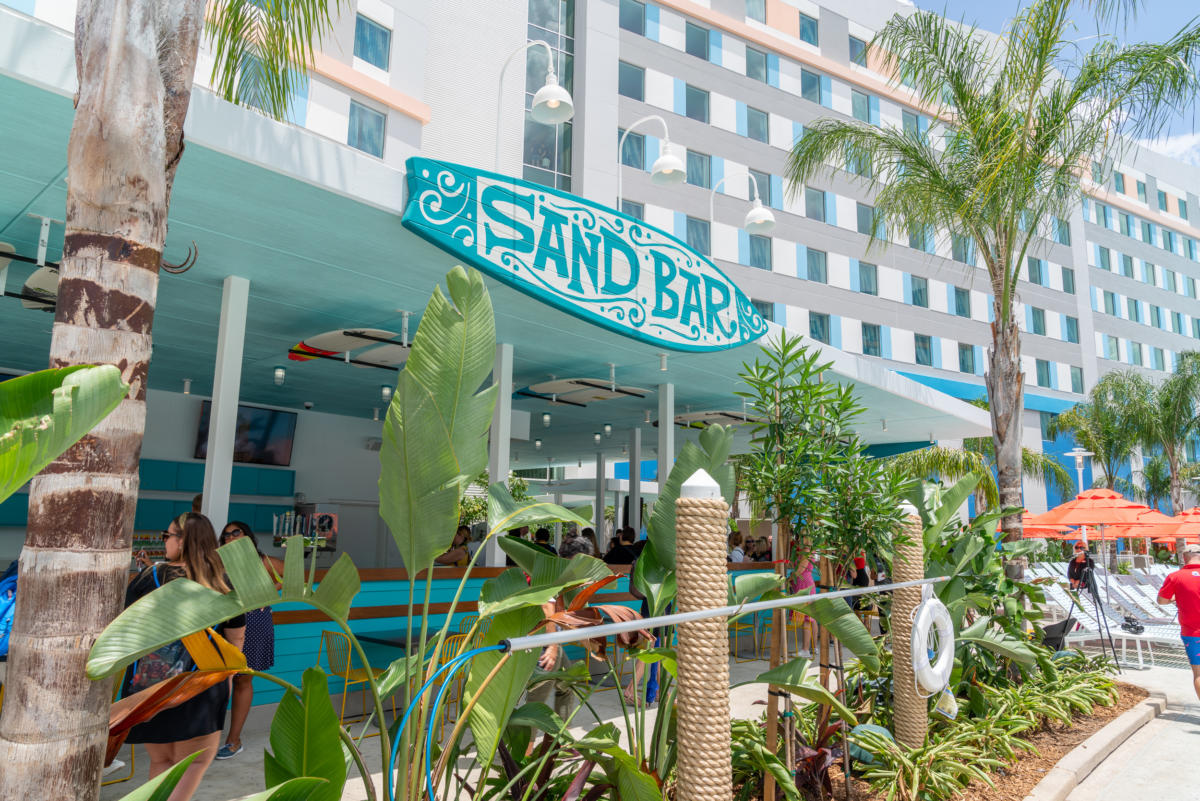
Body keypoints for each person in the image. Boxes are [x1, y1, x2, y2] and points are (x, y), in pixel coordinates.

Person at [123, 512, 245, 801]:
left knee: (161, 760)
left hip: (150, 686)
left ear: (183, 541)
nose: (164, 542)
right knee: (195, 762)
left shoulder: (149, 578)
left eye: (167, 536)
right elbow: (236, 639)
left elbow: (127, 627)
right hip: (199, 684)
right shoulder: (221, 583)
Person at [216, 521, 284, 760]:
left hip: (255, 624)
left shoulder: (263, 561)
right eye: (226, 535)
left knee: (243, 679)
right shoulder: (219, 562)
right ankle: (206, 739)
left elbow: (288, 574)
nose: (231, 537)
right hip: (225, 624)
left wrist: (269, 593)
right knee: (217, 682)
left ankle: (233, 740)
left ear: (248, 536)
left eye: (236, 532)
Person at [1157, 543, 1200, 700]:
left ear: (1184, 558)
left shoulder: (1175, 577)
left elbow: (1162, 600)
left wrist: (1176, 598)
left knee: (1198, 673)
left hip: (1192, 633)